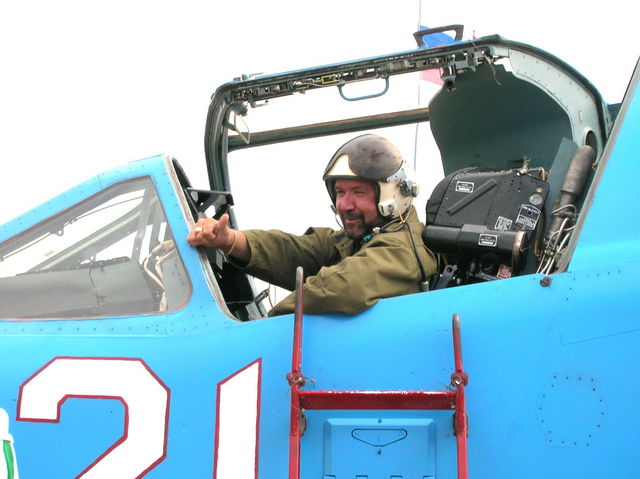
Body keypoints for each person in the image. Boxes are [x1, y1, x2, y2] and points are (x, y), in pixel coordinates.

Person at [187, 134, 437, 316]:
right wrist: (230, 240)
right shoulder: (357, 240)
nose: (345, 205)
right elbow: (295, 250)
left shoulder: (404, 248)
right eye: (340, 192)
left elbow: (343, 287)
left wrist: (262, 328)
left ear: (392, 195)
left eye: (359, 192)